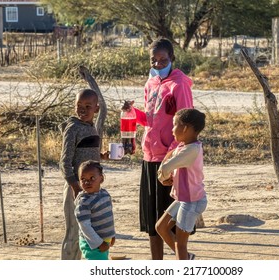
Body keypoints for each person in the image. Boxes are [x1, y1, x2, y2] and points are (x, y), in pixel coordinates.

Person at [122, 37, 194, 259]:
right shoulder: (150, 84)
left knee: (172, 222)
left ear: (172, 58)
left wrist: (171, 159)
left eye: (163, 60)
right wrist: (133, 113)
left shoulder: (179, 85)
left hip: (169, 159)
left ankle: (184, 260)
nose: (158, 64)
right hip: (149, 157)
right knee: (153, 221)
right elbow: (150, 120)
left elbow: (186, 124)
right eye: (154, 60)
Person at [156, 108, 207, 260]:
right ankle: (186, 257)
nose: (172, 130)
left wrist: (162, 177)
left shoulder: (192, 150)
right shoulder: (183, 147)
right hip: (183, 199)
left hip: (191, 202)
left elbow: (165, 167)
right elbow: (168, 158)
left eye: (174, 125)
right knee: (161, 227)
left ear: (185, 128)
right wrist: (164, 175)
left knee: (181, 244)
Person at [59, 88, 101, 260]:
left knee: (85, 232)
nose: (82, 109)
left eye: (88, 106)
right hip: (75, 187)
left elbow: (85, 154)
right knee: (73, 233)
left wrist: (101, 155)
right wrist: (75, 186)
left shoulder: (91, 128)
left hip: (90, 188)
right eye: (79, 105)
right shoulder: (73, 128)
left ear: (96, 109)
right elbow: (64, 162)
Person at [74, 160, 116, 260]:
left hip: (104, 241)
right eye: (83, 179)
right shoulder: (84, 202)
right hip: (92, 244)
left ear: (101, 178)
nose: (87, 182)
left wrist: (112, 234)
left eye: (92, 178)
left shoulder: (104, 194)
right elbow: (85, 226)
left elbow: (108, 216)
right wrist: (99, 243)